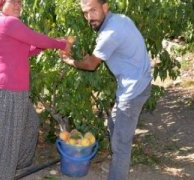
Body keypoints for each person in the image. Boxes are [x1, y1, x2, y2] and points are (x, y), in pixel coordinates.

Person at [60, 0, 152, 179]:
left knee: (121, 145)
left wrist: (70, 61)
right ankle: (117, 166)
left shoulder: (109, 33)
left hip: (133, 91)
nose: (89, 17)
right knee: (113, 123)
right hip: (138, 81)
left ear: (105, 7)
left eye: (93, 11)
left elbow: (91, 64)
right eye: (85, 13)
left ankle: (117, 172)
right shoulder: (120, 19)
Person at [0, 0, 71, 179]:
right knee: (6, 143)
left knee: (30, 124)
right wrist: (62, 44)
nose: (18, 5)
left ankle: (16, 162)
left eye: (20, 3)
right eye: (13, 1)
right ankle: (1, 173)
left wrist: (45, 46)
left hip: (2, 91)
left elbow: (25, 50)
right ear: (1, 4)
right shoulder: (8, 22)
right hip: (9, 92)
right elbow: (35, 38)